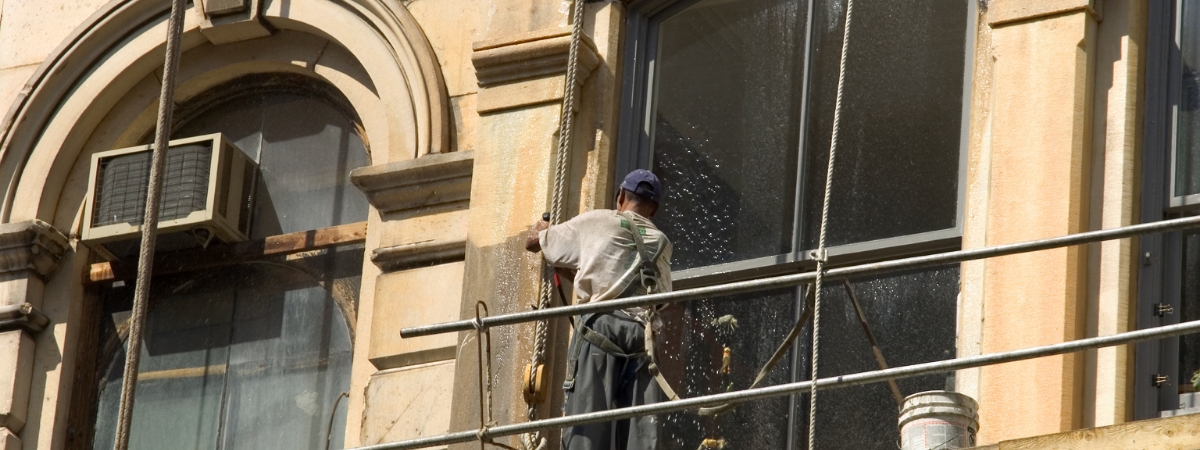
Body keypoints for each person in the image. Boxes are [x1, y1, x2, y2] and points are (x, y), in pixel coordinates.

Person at [525, 169, 674, 450]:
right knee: (642, 436)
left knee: (587, 426)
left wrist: (543, 230)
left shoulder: (598, 221)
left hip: (601, 329)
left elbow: (534, 244)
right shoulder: (662, 243)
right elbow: (657, 299)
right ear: (653, 209)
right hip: (643, 337)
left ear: (620, 197)